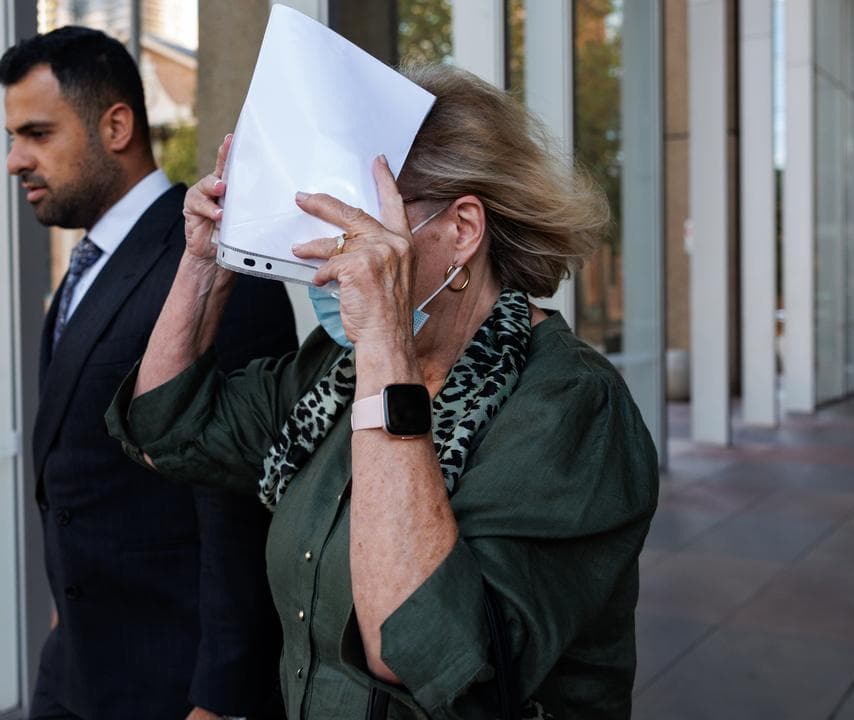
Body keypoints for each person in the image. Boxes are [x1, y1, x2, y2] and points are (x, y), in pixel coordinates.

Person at [107, 63, 659, 719]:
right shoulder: (335, 372)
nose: (326, 266)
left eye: (361, 229)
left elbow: (425, 655)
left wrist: (387, 348)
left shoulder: (572, 406)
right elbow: (166, 428)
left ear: (461, 230)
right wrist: (204, 260)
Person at [0, 27, 296, 720]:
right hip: (74, 665)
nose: (16, 160)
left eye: (37, 133)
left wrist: (220, 699)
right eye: (14, 137)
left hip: (173, 686)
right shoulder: (88, 263)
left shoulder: (217, 261)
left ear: (117, 125)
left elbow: (243, 499)